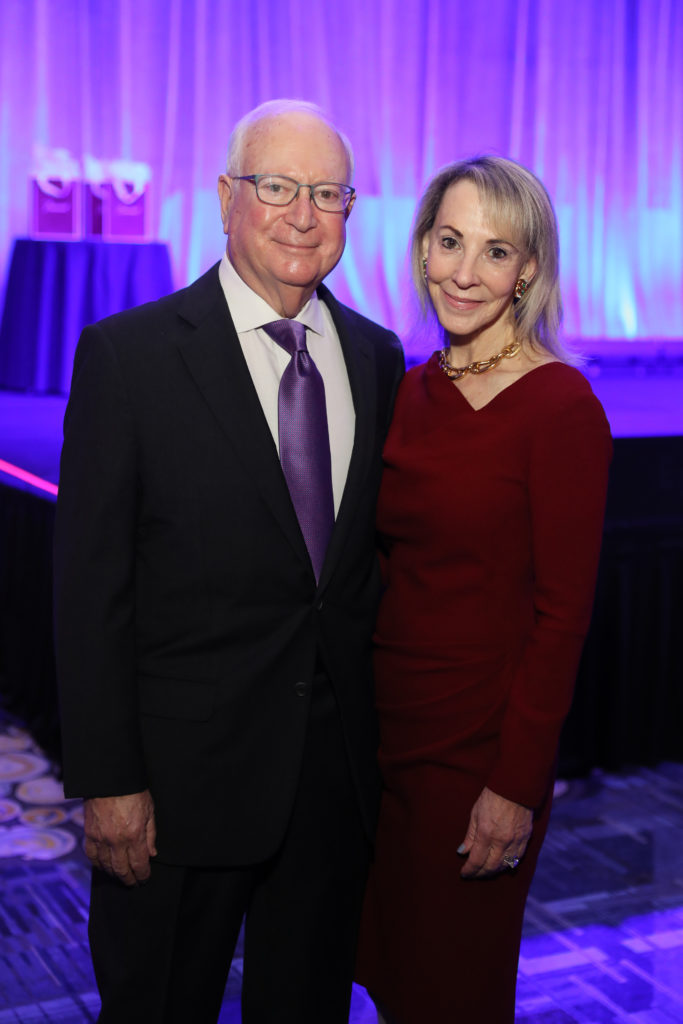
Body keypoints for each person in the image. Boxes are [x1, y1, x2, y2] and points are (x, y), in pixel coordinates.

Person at [53, 99, 404, 1024]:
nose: (302, 214)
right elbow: (90, 596)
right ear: (225, 197)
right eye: (277, 187)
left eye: (326, 193)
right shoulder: (127, 358)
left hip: (329, 797)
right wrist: (110, 781)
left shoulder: (377, 358)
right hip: (175, 798)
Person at [355, 156, 612, 1023]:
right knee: (391, 977)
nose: (464, 272)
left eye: (494, 252)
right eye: (449, 241)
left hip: (475, 754)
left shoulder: (560, 406)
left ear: (527, 269)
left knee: (450, 991)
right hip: (379, 738)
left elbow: (562, 615)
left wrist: (514, 786)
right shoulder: (408, 390)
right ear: (422, 248)